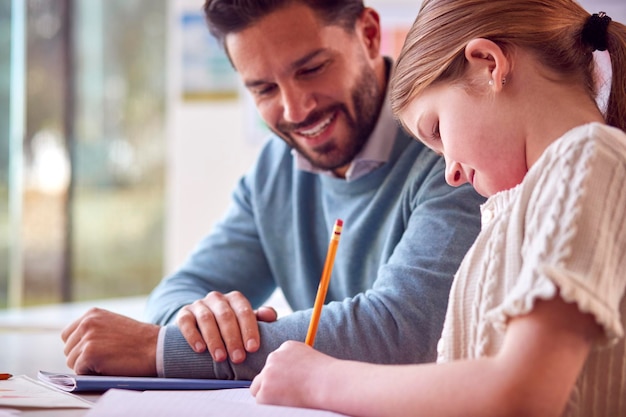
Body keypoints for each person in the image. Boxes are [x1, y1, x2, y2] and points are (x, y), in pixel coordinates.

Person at [61, 0, 484, 380]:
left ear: (369, 35)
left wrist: (155, 349)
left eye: (312, 68)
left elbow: (401, 332)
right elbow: (180, 288)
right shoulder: (274, 171)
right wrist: (206, 322)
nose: (295, 109)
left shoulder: (453, 147)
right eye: (264, 88)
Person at [249, 0, 626, 416]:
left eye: (437, 130)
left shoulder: (591, 157)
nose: (450, 173)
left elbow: (523, 394)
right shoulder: (516, 210)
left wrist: (318, 380)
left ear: (488, 64)